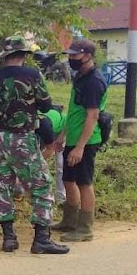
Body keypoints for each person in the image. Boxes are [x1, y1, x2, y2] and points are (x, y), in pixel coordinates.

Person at [0, 35, 69, 255]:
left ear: (5, 56)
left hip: (0, 138)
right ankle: (42, 239)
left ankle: (9, 238)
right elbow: (45, 105)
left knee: (4, 186)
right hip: (23, 137)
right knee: (41, 185)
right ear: (24, 55)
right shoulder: (33, 76)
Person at [52, 39, 108, 242]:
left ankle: (85, 228)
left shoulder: (94, 81)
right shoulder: (80, 77)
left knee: (84, 183)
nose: (70, 59)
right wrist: (62, 135)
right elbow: (75, 111)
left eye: (74, 55)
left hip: (86, 140)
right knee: (68, 180)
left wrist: (80, 147)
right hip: (74, 138)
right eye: (70, 55)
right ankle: (70, 220)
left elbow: (92, 116)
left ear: (88, 56)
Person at [36, 104, 67, 205]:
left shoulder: (44, 124)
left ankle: (61, 198)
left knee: (60, 165)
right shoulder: (29, 123)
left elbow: (50, 149)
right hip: (46, 130)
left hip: (62, 131)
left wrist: (35, 163)